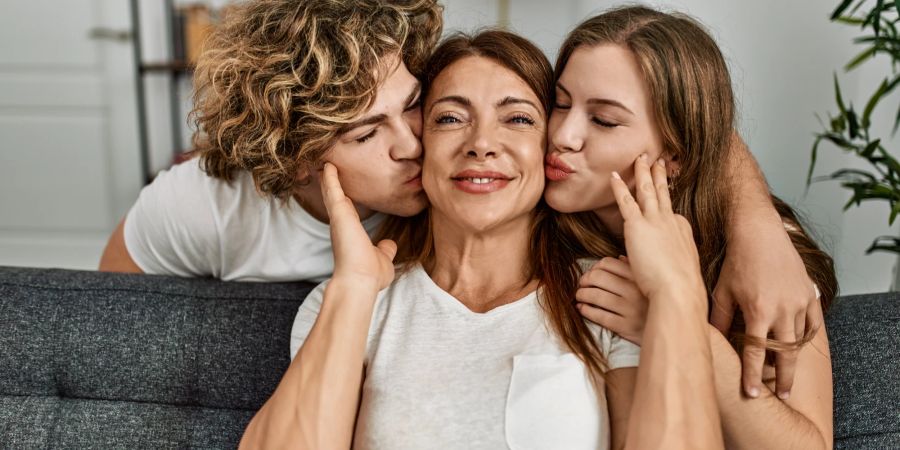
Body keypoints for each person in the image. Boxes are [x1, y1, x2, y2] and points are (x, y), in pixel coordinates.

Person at [241, 29, 723, 450]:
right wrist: (352, 289)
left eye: (518, 119)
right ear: (419, 144)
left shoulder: (609, 300)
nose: (482, 143)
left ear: (549, 150)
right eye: (451, 118)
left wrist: (675, 291)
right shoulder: (349, 303)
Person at [544, 6, 835, 449]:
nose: (562, 134)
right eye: (560, 102)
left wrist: (673, 321)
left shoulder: (759, 265)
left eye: (603, 120)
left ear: (675, 155)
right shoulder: (525, 215)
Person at [97, 0, 442, 282]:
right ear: (294, 161)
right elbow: (115, 318)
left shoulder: (455, 191)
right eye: (366, 134)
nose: (412, 146)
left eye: (412, 105)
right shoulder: (204, 205)